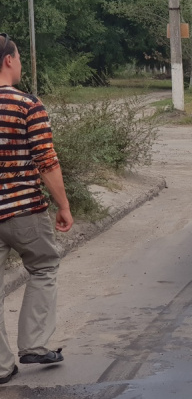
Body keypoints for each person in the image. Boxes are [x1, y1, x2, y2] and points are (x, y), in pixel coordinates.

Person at [0, 34, 73, 385]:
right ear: (9, 60)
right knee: (44, 266)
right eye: (18, 57)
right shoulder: (28, 104)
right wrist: (63, 205)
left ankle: (0, 367)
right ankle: (33, 344)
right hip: (23, 210)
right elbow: (46, 160)